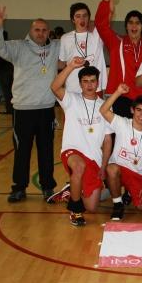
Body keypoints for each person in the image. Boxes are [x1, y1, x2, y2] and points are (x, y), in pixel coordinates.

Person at [0, 5, 59, 202]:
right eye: (37, 29)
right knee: (22, 151)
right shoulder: (18, 47)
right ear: (31, 31)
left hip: (46, 109)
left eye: (44, 30)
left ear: (49, 32)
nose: (40, 33)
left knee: (46, 151)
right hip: (23, 110)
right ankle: (19, 188)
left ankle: (48, 187)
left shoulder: (55, 47)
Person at [50, 59, 112, 226]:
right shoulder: (71, 99)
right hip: (72, 151)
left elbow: (107, 140)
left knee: (92, 207)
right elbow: (54, 87)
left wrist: (104, 166)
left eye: (93, 81)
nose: (89, 85)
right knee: (79, 167)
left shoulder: (105, 106)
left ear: (98, 83)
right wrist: (70, 66)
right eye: (85, 81)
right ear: (80, 84)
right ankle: (75, 210)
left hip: (94, 159)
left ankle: (72, 191)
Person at [93, 0, 142, 118]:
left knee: (139, 138)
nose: (134, 26)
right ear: (126, 26)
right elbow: (101, 25)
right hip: (119, 96)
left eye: (137, 23)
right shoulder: (116, 42)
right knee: (119, 139)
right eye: (130, 23)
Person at [100, 84, 142, 220]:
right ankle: (117, 204)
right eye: (138, 110)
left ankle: (128, 193)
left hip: (136, 175)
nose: (141, 114)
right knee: (111, 169)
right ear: (132, 110)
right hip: (117, 171)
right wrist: (118, 91)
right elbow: (103, 110)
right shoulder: (122, 123)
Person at [59, 2, 107, 95]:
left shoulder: (97, 36)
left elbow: (106, 14)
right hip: (73, 87)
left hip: (94, 87)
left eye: (85, 15)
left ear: (89, 17)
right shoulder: (65, 38)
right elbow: (63, 63)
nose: (82, 19)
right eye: (78, 16)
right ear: (73, 19)